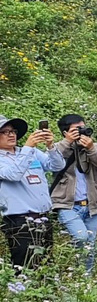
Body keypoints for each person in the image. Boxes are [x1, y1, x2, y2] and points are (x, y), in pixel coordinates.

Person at [48, 114, 97, 272]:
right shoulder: (57, 148)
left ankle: (85, 277)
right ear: (65, 133)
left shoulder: (95, 147)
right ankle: (74, 267)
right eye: (76, 130)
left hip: (92, 204)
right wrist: (68, 143)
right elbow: (53, 163)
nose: (81, 132)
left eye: (82, 128)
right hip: (67, 204)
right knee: (81, 237)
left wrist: (91, 149)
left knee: (89, 242)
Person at [0, 118, 54, 276]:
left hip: (43, 218)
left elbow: (56, 166)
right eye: (4, 132)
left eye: (13, 131)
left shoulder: (32, 152)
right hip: (19, 221)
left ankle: (46, 299)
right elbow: (14, 174)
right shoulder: (27, 151)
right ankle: (23, 298)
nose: (11, 135)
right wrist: (28, 147)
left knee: (46, 265)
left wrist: (51, 146)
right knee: (25, 267)